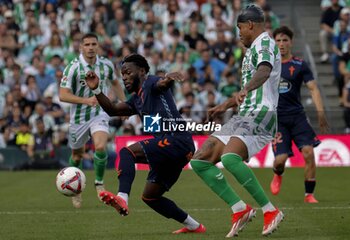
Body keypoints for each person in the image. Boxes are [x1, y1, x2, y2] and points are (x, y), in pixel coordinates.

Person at [84, 53, 206, 234]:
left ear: (141, 71)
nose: (124, 77)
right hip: (174, 148)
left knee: (127, 153)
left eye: (127, 72)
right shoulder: (136, 99)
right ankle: (194, 226)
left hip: (176, 139)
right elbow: (111, 110)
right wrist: (96, 90)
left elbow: (162, 83)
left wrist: (169, 77)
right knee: (151, 197)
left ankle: (122, 197)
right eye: (122, 74)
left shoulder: (151, 83)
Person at [189, 5, 284, 237]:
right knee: (200, 161)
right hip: (245, 114)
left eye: (240, 28)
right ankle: (239, 208)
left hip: (262, 113)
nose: (239, 33)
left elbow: (264, 70)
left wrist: (246, 89)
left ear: (250, 25)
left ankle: (270, 210)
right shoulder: (251, 50)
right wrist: (225, 105)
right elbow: (247, 90)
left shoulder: (264, 43)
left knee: (230, 158)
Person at [59, 33, 126, 208]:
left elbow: (116, 83)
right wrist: (85, 101)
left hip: (99, 112)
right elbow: (63, 95)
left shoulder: (106, 65)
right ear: (81, 47)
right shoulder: (72, 68)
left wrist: (124, 104)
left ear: (98, 46)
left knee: (101, 146)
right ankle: (76, 189)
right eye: (87, 44)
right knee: (77, 155)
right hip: (79, 117)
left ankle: (99, 183)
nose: (90, 47)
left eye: (93, 44)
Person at [270, 26, 330, 202]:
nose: (281, 44)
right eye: (278, 40)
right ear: (274, 43)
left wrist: (320, 113)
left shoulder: (300, 64)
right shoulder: (269, 65)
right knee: (279, 161)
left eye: (285, 40)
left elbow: (313, 88)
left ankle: (309, 194)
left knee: (309, 153)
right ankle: (277, 174)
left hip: (297, 117)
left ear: (291, 42)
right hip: (277, 119)